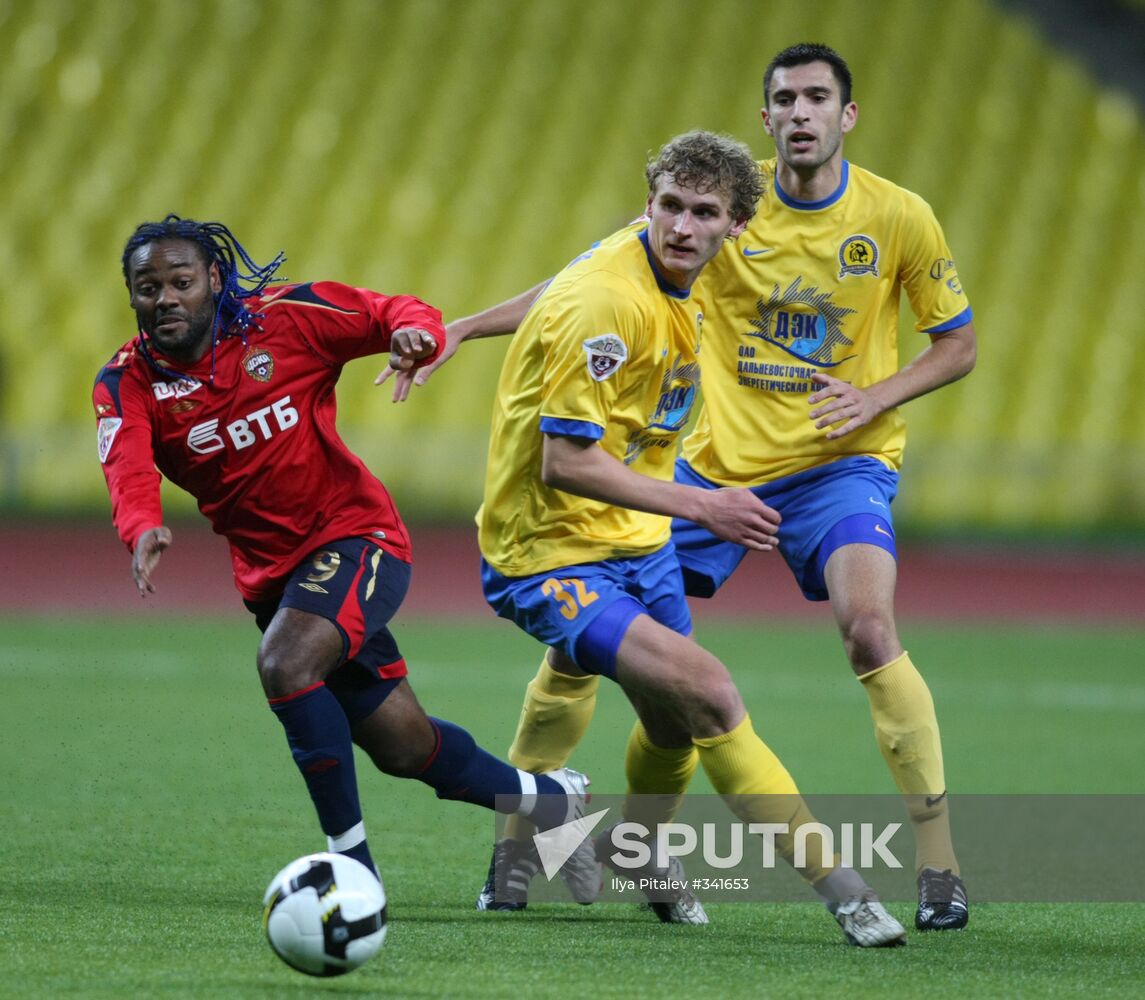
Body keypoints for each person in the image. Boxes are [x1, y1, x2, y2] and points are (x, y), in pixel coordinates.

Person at [389, 44, 974, 933]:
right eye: (785, 97)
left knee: (862, 629)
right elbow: (581, 283)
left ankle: (937, 865)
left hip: (836, 462)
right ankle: (530, 850)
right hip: (698, 475)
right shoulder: (697, 215)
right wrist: (465, 327)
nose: (803, 111)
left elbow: (957, 343)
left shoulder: (895, 218)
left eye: (819, 97)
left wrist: (871, 397)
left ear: (846, 116)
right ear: (766, 115)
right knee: (634, 674)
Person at [460, 129, 905, 947]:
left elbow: (550, 288)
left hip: (638, 536)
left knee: (665, 721)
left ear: (735, 228)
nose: (680, 226)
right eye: (668, 206)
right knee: (707, 691)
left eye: (703, 213)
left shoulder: (677, 265)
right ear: (648, 203)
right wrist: (701, 507)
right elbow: (564, 461)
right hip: (548, 551)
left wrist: (461, 327)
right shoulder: (609, 302)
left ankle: (631, 853)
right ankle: (844, 890)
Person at [92, 214, 595, 893]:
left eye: (180, 281)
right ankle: (550, 800)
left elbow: (390, 312)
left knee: (285, 660)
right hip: (273, 578)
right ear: (132, 296)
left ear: (214, 279)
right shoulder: (127, 382)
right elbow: (127, 467)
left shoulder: (286, 321)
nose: (165, 299)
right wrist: (140, 525)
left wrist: (413, 333)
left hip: (356, 537)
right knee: (405, 747)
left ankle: (350, 871)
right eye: (147, 287)